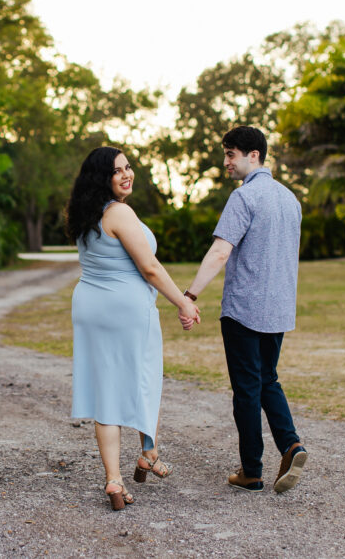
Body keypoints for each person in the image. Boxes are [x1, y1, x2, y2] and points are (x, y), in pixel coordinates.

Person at [66, 146, 201, 511]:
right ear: (102, 178)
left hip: (91, 306)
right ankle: (147, 453)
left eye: (129, 168)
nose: (127, 174)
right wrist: (183, 302)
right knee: (145, 377)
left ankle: (118, 477)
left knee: (106, 391)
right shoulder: (120, 212)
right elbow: (151, 269)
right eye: (118, 171)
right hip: (125, 308)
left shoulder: (85, 214)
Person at [180, 125, 307, 493]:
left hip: (244, 310)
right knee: (267, 378)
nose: (226, 163)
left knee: (247, 390)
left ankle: (251, 470)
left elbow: (221, 250)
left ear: (254, 155)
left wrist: (191, 294)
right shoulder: (290, 199)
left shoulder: (244, 197)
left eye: (231, 154)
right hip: (278, 309)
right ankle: (292, 444)